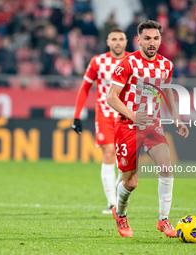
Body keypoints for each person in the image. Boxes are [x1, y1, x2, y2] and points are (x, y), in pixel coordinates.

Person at [107, 20, 189, 238]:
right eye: (147, 38)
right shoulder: (127, 63)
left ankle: (163, 220)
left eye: (155, 38)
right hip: (128, 126)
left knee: (166, 168)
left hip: (153, 125)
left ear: (160, 39)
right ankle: (120, 213)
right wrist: (133, 114)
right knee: (131, 182)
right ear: (138, 40)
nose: (152, 43)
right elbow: (111, 98)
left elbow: (167, 91)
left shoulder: (166, 65)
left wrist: (176, 118)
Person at [72, 27, 128, 214]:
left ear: (126, 42)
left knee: (125, 160)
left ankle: (117, 195)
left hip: (126, 114)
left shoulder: (134, 61)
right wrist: (77, 115)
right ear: (108, 42)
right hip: (104, 113)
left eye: (121, 39)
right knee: (108, 152)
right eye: (114, 39)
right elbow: (85, 88)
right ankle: (112, 203)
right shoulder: (98, 61)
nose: (118, 42)